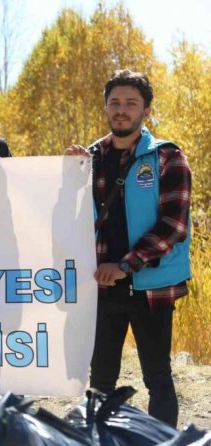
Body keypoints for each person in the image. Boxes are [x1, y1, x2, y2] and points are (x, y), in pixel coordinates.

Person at [65, 69, 191, 428]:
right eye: (115, 103)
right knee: (101, 380)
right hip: (101, 287)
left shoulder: (168, 157)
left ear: (146, 110)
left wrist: (125, 265)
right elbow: (65, 216)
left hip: (151, 286)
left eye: (131, 103)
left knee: (157, 376)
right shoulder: (87, 159)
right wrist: (66, 172)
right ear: (105, 107)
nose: (122, 110)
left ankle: (162, 440)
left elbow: (174, 225)